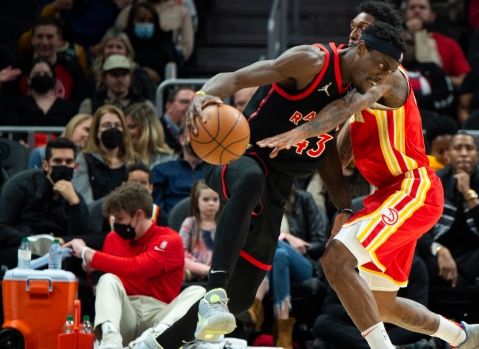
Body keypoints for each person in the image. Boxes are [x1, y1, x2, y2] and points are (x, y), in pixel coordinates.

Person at [134, 20, 409, 349]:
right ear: (361, 48)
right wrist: (204, 94)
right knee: (251, 179)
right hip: (238, 154)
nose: (382, 77)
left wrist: (344, 205)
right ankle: (213, 293)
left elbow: (326, 150)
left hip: (278, 186)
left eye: (390, 70)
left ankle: (156, 344)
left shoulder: (359, 92)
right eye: (381, 66)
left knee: (239, 302)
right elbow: (238, 78)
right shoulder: (311, 61)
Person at [255, 3, 479, 349]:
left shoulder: (389, 77)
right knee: (381, 305)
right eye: (352, 26)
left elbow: (348, 107)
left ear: (382, 41)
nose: (353, 35)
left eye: (362, 29)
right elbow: (337, 149)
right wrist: (338, 199)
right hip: (388, 194)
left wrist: (305, 129)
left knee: (336, 260)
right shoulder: (357, 79)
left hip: (413, 188)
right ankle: (463, 336)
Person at [63, 182, 206, 349]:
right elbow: (104, 281)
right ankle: (110, 339)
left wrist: (87, 252)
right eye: (113, 219)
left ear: (139, 215)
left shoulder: (170, 239)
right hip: (126, 313)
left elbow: (136, 268)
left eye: (120, 218)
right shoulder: (112, 238)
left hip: (161, 313)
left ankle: (157, 337)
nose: (116, 224)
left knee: (199, 292)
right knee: (108, 279)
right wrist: (91, 269)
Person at [418, 132, 479, 288]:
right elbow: (417, 229)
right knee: (410, 250)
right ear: (448, 155)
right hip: (438, 257)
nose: (464, 153)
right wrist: (439, 249)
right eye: (458, 148)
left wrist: (469, 195)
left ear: (477, 155)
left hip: (475, 258)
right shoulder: (432, 184)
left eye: (469, 148)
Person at [0, 137, 89, 268]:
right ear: (46, 165)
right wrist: (37, 243)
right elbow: (2, 228)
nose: (63, 165)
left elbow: (78, 240)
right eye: (58, 161)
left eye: (68, 161)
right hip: (20, 249)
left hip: (57, 256)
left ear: (75, 167)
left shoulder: (76, 198)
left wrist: (74, 205)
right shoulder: (21, 186)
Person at [312, 256, 434, 349]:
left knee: (419, 325)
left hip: (393, 327)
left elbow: (420, 313)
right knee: (322, 322)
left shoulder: (415, 264)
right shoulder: (347, 263)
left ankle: (377, 345)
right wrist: (353, 308)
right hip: (355, 326)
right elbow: (328, 307)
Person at [267, 185, 329, 348]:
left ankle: (256, 305)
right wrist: (286, 237)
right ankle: (283, 328)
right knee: (279, 253)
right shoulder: (260, 205)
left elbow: (321, 242)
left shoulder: (303, 199)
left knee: (272, 244)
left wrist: (286, 240)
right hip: (274, 266)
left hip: (305, 263)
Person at [72, 104, 140, 205]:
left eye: (117, 125)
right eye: (106, 125)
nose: (113, 129)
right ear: (96, 132)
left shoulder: (135, 161)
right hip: (96, 217)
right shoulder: (84, 160)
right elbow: (84, 200)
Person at [13, 16, 87, 107]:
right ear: (32, 39)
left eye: (50, 37)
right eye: (39, 36)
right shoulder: (18, 68)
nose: (45, 42)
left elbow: (79, 108)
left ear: (59, 39)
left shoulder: (74, 70)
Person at [2, 58, 76, 141]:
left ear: (54, 78)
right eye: (37, 74)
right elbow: (13, 129)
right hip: (25, 151)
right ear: (28, 79)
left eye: (46, 74)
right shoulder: (17, 104)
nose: (42, 76)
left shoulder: (68, 106)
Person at [403, 0, 471, 89]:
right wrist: (404, 30)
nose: (417, 11)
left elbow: (465, 80)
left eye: (422, 7)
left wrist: (441, 79)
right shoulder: (393, 42)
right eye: (412, 8)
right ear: (404, 15)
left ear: (432, 16)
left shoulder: (449, 44)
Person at [89, 28, 156, 102]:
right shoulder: (93, 74)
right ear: (103, 50)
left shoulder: (140, 75)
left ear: (127, 51)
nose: (114, 51)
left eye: (119, 47)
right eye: (110, 47)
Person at [151, 120, 203, 214]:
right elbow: (157, 210)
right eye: (195, 133)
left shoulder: (215, 172)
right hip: (172, 224)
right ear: (182, 140)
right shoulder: (161, 171)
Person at [115, 0, 194, 61]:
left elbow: (187, 47)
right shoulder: (128, 11)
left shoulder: (181, 12)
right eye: (141, 20)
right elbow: (115, 38)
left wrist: (173, 58)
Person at [79, 54, 153, 114]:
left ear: (131, 77)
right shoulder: (90, 105)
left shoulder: (145, 106)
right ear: (104, 78)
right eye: (114, 74)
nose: (120, 79)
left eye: (124, 74)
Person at [123, 2, 176, 85]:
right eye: (141, 20)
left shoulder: (165, 43)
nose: (146, 24)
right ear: (132, 21)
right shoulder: (124, 41)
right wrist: (142, 71)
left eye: (150, 21)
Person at [179, 180, 221, 280]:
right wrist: (199, 266)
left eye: (215, 199)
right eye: (206, 199)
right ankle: (204, 272)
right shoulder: (189, 223)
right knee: (180, 259)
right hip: (193, 264)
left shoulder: (223, 224)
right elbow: (181, 250)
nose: (211, 203)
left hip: (217, 266)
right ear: (197, 202)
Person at [125, 102, 175, 168]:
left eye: (132, 127)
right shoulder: (119, 159)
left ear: (147, 129)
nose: (126, 132)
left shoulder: (168, 162)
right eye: (124, 128)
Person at [160, 87, 194, 154]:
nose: (190, 107)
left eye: (193, 102)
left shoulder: (198, 131)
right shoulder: (156, 129)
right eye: (184, 102)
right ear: (169, 106)